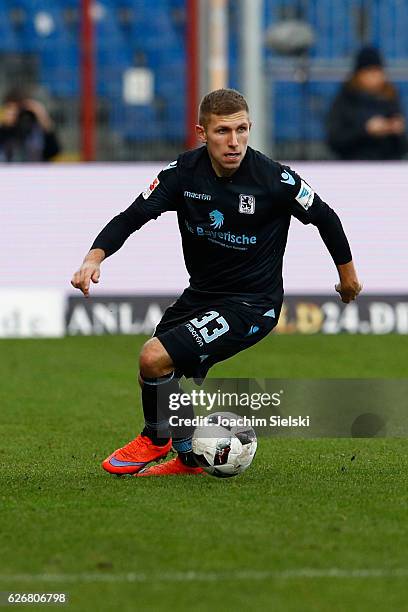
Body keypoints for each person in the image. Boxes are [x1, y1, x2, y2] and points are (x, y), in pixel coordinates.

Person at [71, 88, 362, 477]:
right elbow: (132, 216)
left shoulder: (274, 179)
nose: (235, 141)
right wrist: (94, 257)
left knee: (153, 357)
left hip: (252, 305)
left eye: (242, 130)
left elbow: (326, 217)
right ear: (201, 132)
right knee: (154, 373)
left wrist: (348, 279)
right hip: (202, 296)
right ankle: (190, 457)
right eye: (223, 131)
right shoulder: (182, 174)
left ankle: (155, 438)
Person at [327, 46, 407, 160]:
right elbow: (335, 139)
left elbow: (402, 147)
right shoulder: (345, 100)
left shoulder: (390, 98)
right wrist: (365, 130)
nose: (375, 76)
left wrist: (396, 131)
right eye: (369, 71)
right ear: (359, 74)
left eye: (378, 71)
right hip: (351, 167)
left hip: (387, 167)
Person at [0, 88, 61, 162]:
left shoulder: (37, 127)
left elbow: (54, 152)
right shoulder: (5, 129)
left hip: (37, 171)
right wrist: (5, 126)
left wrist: (44, 119)